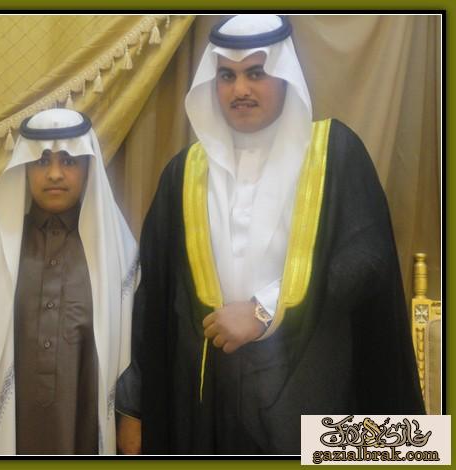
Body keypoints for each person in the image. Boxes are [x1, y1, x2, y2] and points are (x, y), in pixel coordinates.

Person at [115, 14, 424, 455]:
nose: (240, 89)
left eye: (256, 73)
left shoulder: (333, 151)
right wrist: (135, 408)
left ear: (284, 74)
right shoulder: (184, 173)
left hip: (311, 388)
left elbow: (366, 261)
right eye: (227, 75)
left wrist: (264, 310)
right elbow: (154, 304)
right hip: (209, 404)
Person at [0, 108, 138, 455]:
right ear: (23, 168)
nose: (54, 174)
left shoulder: (116, 254)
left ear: (88, 168)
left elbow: (132, 366)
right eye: (41, 161)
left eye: (69, 161)